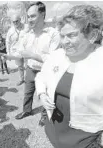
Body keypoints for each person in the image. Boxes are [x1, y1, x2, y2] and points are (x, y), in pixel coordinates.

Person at [35, 5, 103, 148]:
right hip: (55, 130)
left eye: (71, 35)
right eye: (62, 35)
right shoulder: (57, 55)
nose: (64, 41)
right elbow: (41, 77)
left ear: (93, 36)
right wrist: (42, 94)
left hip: (87, 138)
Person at [3, 2, 60, 122]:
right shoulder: (27, 34)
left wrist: (33, 55)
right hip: (30, 69)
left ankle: (44, 116)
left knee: (46, 94)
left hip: (46, 71)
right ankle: (27, 110)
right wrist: (9, 56)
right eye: (28, 16)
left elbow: (54, 59)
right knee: (28, 92)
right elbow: (20, 52)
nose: (29, 19)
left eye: (33, 16)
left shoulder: (53, 34)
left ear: (43, 14)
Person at [6, 14, 28, 86]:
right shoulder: (10, 30)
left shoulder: (26, 27)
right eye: (13, 22)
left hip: (26, 51)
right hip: (16, 52)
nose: (15, 23)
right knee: (20, 66)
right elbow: (7, 42)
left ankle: (29, 80)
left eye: (16, 21)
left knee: (28, 66)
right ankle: (22, 79)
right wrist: (8, 53)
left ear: (20, 20)